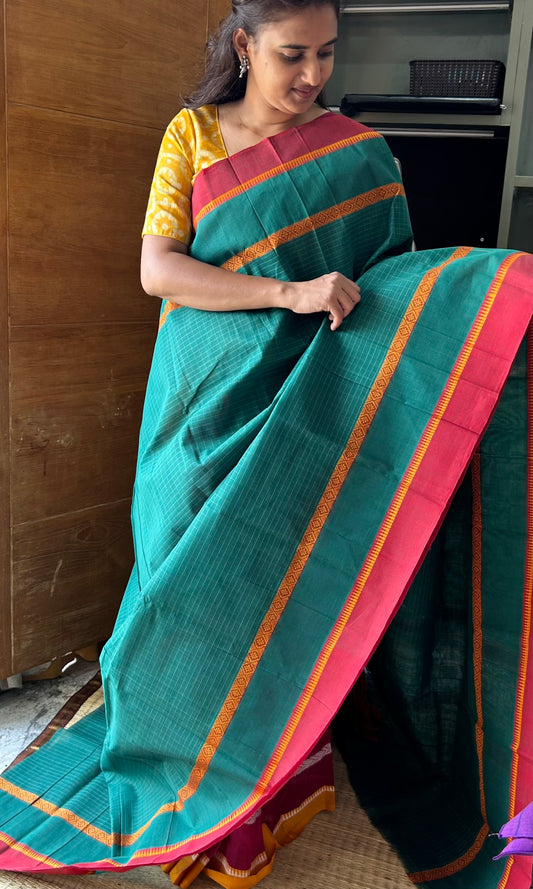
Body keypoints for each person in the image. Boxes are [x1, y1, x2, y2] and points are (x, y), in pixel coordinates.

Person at [0, 1, 531, 888]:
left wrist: (492, 285)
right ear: (244, 46)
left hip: (311, 400)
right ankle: (182, 759)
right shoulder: (194, 135)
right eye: (292, 54)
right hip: (202, 395)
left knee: (285, 579)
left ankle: (272, 778)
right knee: (181, 569)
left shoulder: (357, 152)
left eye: (327, 53)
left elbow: (389, 285)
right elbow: (159, 269)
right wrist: (288, 293)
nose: (312, 75)